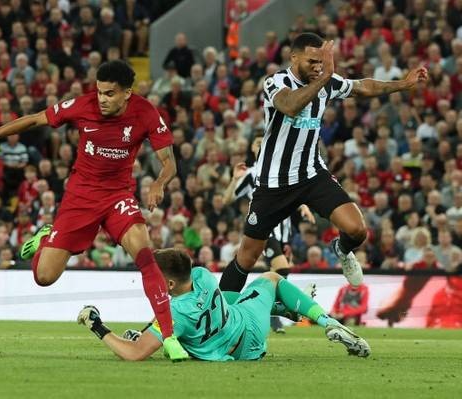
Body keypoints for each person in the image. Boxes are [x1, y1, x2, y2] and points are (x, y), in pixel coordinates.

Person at [0, 60, 188, 361]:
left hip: (117, 196)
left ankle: (170, 337)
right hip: (80, 197)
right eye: (99, 92)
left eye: (110, 94)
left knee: (146, 257)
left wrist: (160, 182)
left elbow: (169, 162)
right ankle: (46, 240)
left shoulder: (145, 112)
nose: (102, 99)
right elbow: (34, 120)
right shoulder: (82, 106)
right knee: (44, 277)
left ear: (127, 93)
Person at [219, 33, 428, 294]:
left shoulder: (325, 81)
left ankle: (341, 248)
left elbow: (363, 86)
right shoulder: (276, 81)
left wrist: (403, 84)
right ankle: (218, 319)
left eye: (322, 62)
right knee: (247, 257)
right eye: (312, 61)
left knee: (357, 229)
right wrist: (326, 77)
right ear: (293, 57)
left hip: (311, 174)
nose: (318, 67)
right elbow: (290, 106)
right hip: (274, 182)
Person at [77, 248, 370, 361]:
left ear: (167, 285)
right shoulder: (202, 276)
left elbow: (134, 354)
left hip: (240, 349)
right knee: (269, 279)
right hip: (246, 323)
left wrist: (98, 327)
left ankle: (289, 308)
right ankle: (323, 320)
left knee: (236, 299)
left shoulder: (176, 313)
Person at [223, 135, 316, 333]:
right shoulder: (252, 173)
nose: (261, 146)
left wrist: (304, 207)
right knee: (281, 269)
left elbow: (295, 194)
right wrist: (234, 179)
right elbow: (226, 199)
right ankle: (279, 311)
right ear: (252, 148)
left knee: (277, 275)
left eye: (264, 143)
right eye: (257, 143)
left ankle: (271, 314)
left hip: (284, 233)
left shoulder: (284, 170)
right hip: (264, 231)